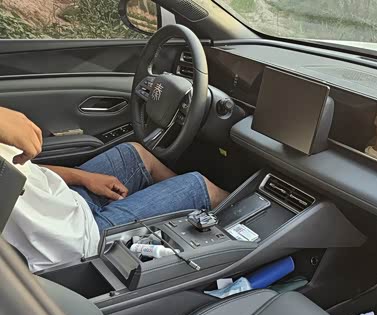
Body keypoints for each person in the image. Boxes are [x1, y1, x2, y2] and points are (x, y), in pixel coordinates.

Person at [0, 106, 229, 272]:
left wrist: (83, 177)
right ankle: (240, 243)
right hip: (73, 243)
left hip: (59, 200)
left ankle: (194, 219)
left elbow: (20, 165)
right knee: (200, 187)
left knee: (135, 154)